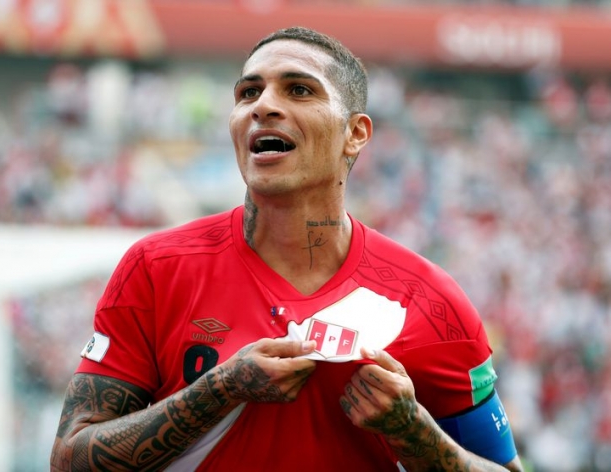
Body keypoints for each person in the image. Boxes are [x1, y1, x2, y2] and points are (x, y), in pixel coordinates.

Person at [50, 26, 524, 471]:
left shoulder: (432, 301)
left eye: (298, 90)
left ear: (355, 133)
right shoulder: (155, 267)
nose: (262, 106)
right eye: (248, 93)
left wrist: (414, 431)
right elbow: (69, 456)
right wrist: (219, 390)